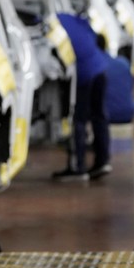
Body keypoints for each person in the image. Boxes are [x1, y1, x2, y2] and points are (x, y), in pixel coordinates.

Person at [54, 12, 112, 181]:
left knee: (77, 118)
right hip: (99, 66)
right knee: (99, 115)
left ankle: (78, 167)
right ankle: (103, 161)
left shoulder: (49, 25)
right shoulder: (68, 17)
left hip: (83, 72)